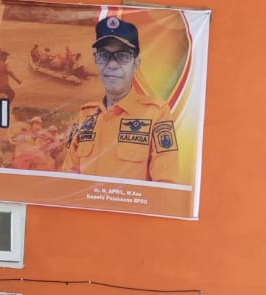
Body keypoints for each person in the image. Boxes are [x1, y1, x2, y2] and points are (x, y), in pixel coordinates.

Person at [64, 17, 179, 183]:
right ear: (96, 60)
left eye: (122, 56)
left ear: (136, 64)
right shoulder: (85, 116)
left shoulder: (156, 114)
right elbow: (67, 178)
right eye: (104, 55)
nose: (111, 65)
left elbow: (165, 185)